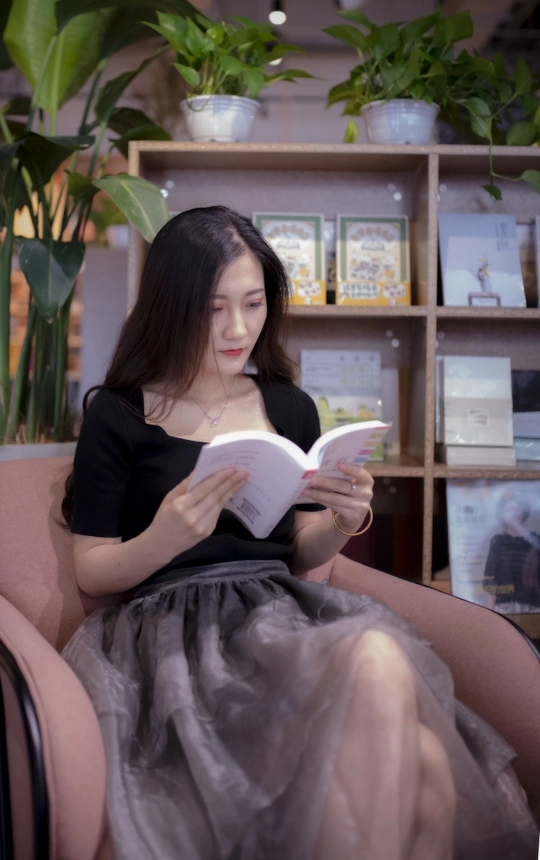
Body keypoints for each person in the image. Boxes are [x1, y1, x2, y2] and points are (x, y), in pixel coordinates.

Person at [60, 206, 538, 860]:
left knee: (409, 723)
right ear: (171, 306)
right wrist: (164, 538)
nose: (238, 328)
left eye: (253, 303)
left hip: (278, 614)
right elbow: (90, 566)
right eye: (213, 308)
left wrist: (342, 519)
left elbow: (300, 547)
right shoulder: (119, 415)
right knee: (413, 745)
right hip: (172, 636)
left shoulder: (288, 405)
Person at [483, 493, 540, 613]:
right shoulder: (498, 542)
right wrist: (489, 613)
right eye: (508, 509)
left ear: (523, 512)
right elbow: (491, 578)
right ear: (502, 514)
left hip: (534, 607)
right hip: (504, 607)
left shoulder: (536, 541)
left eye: (517, 509)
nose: (513, 513)